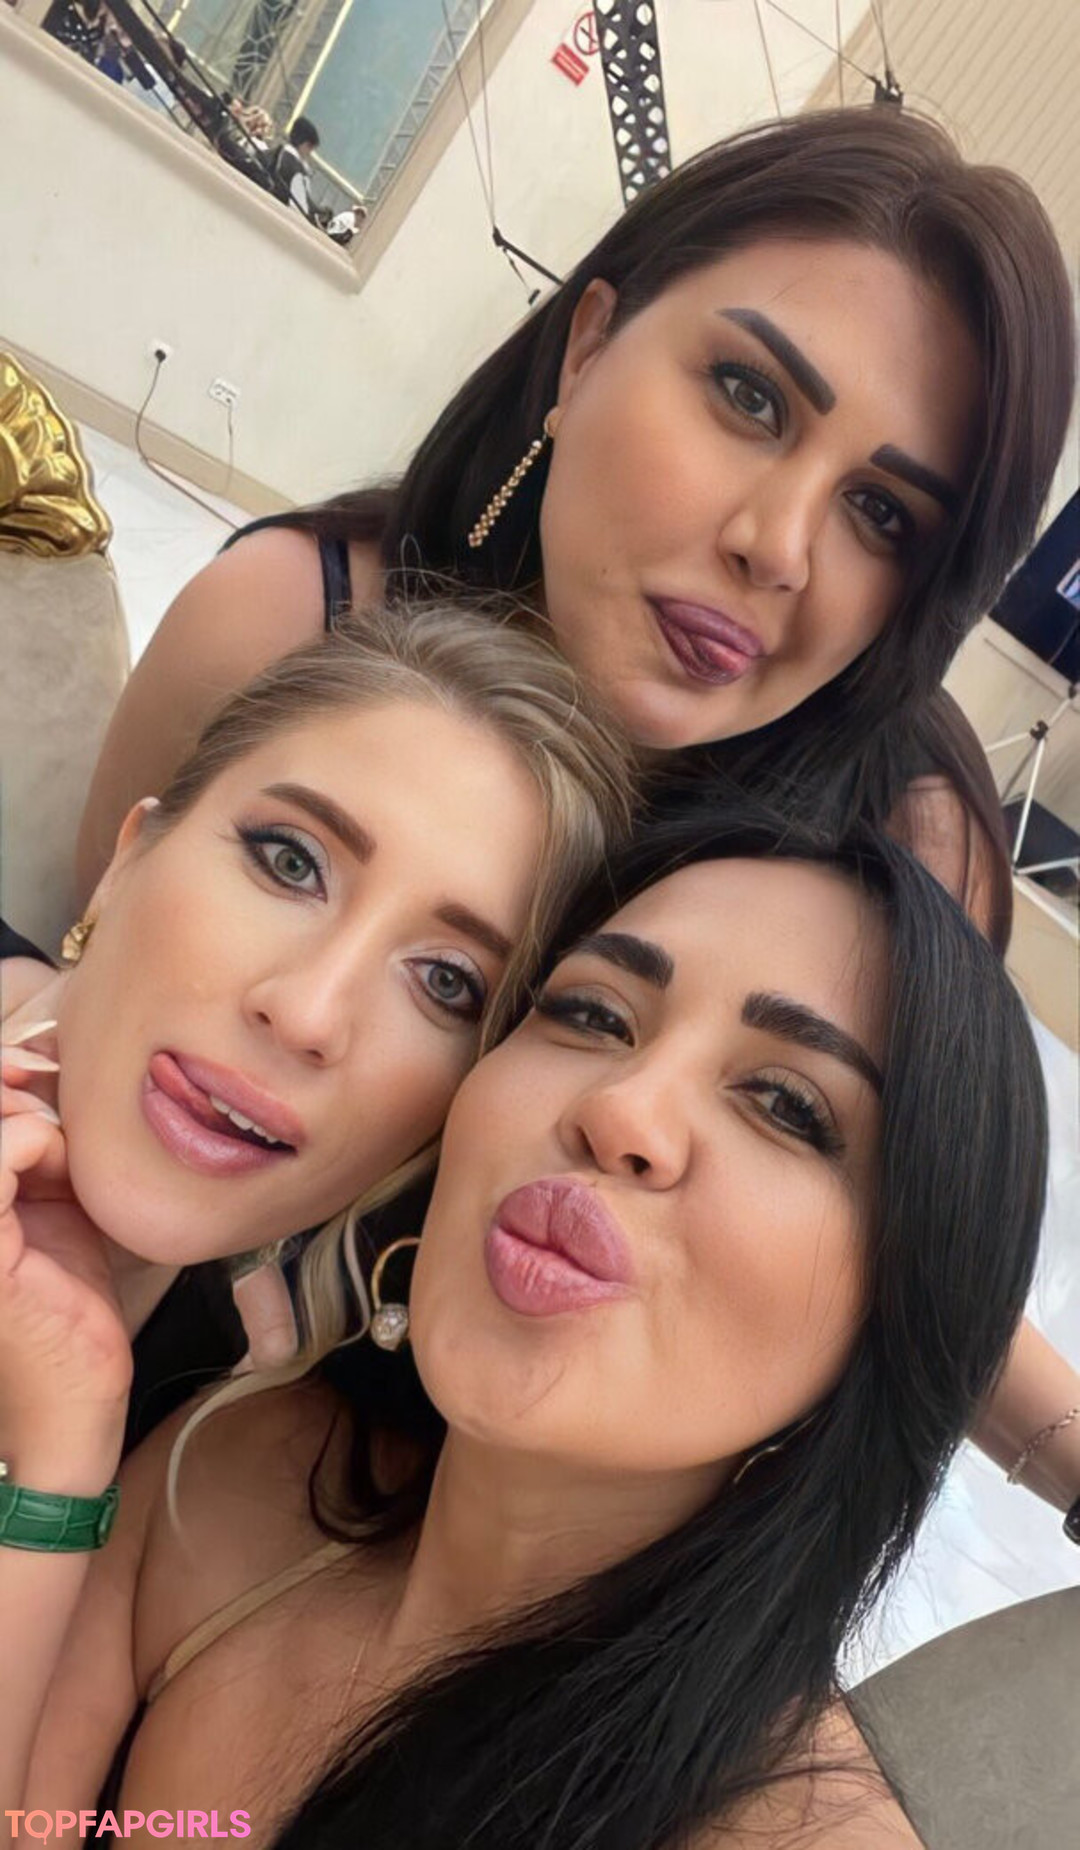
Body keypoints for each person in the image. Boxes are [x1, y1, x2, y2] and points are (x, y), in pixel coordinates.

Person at [2, 811, 1047, 1847]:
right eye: (593, 1014)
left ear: (896, 1312)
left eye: (785, 1104)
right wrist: (59, 1449)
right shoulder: (231, 1479)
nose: (621, 1109)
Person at [76, 107, 1074, 943]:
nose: (776, 546)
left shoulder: (911, 847)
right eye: (750, 397)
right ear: (590, 347)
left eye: (881, 512)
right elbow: (75, 1003)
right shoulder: (281, 624)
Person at [0, 601, 631, 1394]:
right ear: (129, 859)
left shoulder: (259, 1405)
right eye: (290, 862)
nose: (308, 1014)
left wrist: (58, 1453)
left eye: (446, 981)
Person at [270, 116, 321, 219]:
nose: (309, 154)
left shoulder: (271, 153)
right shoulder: (298, 171)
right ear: (305, 145)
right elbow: (300, 210)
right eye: (311, 149)